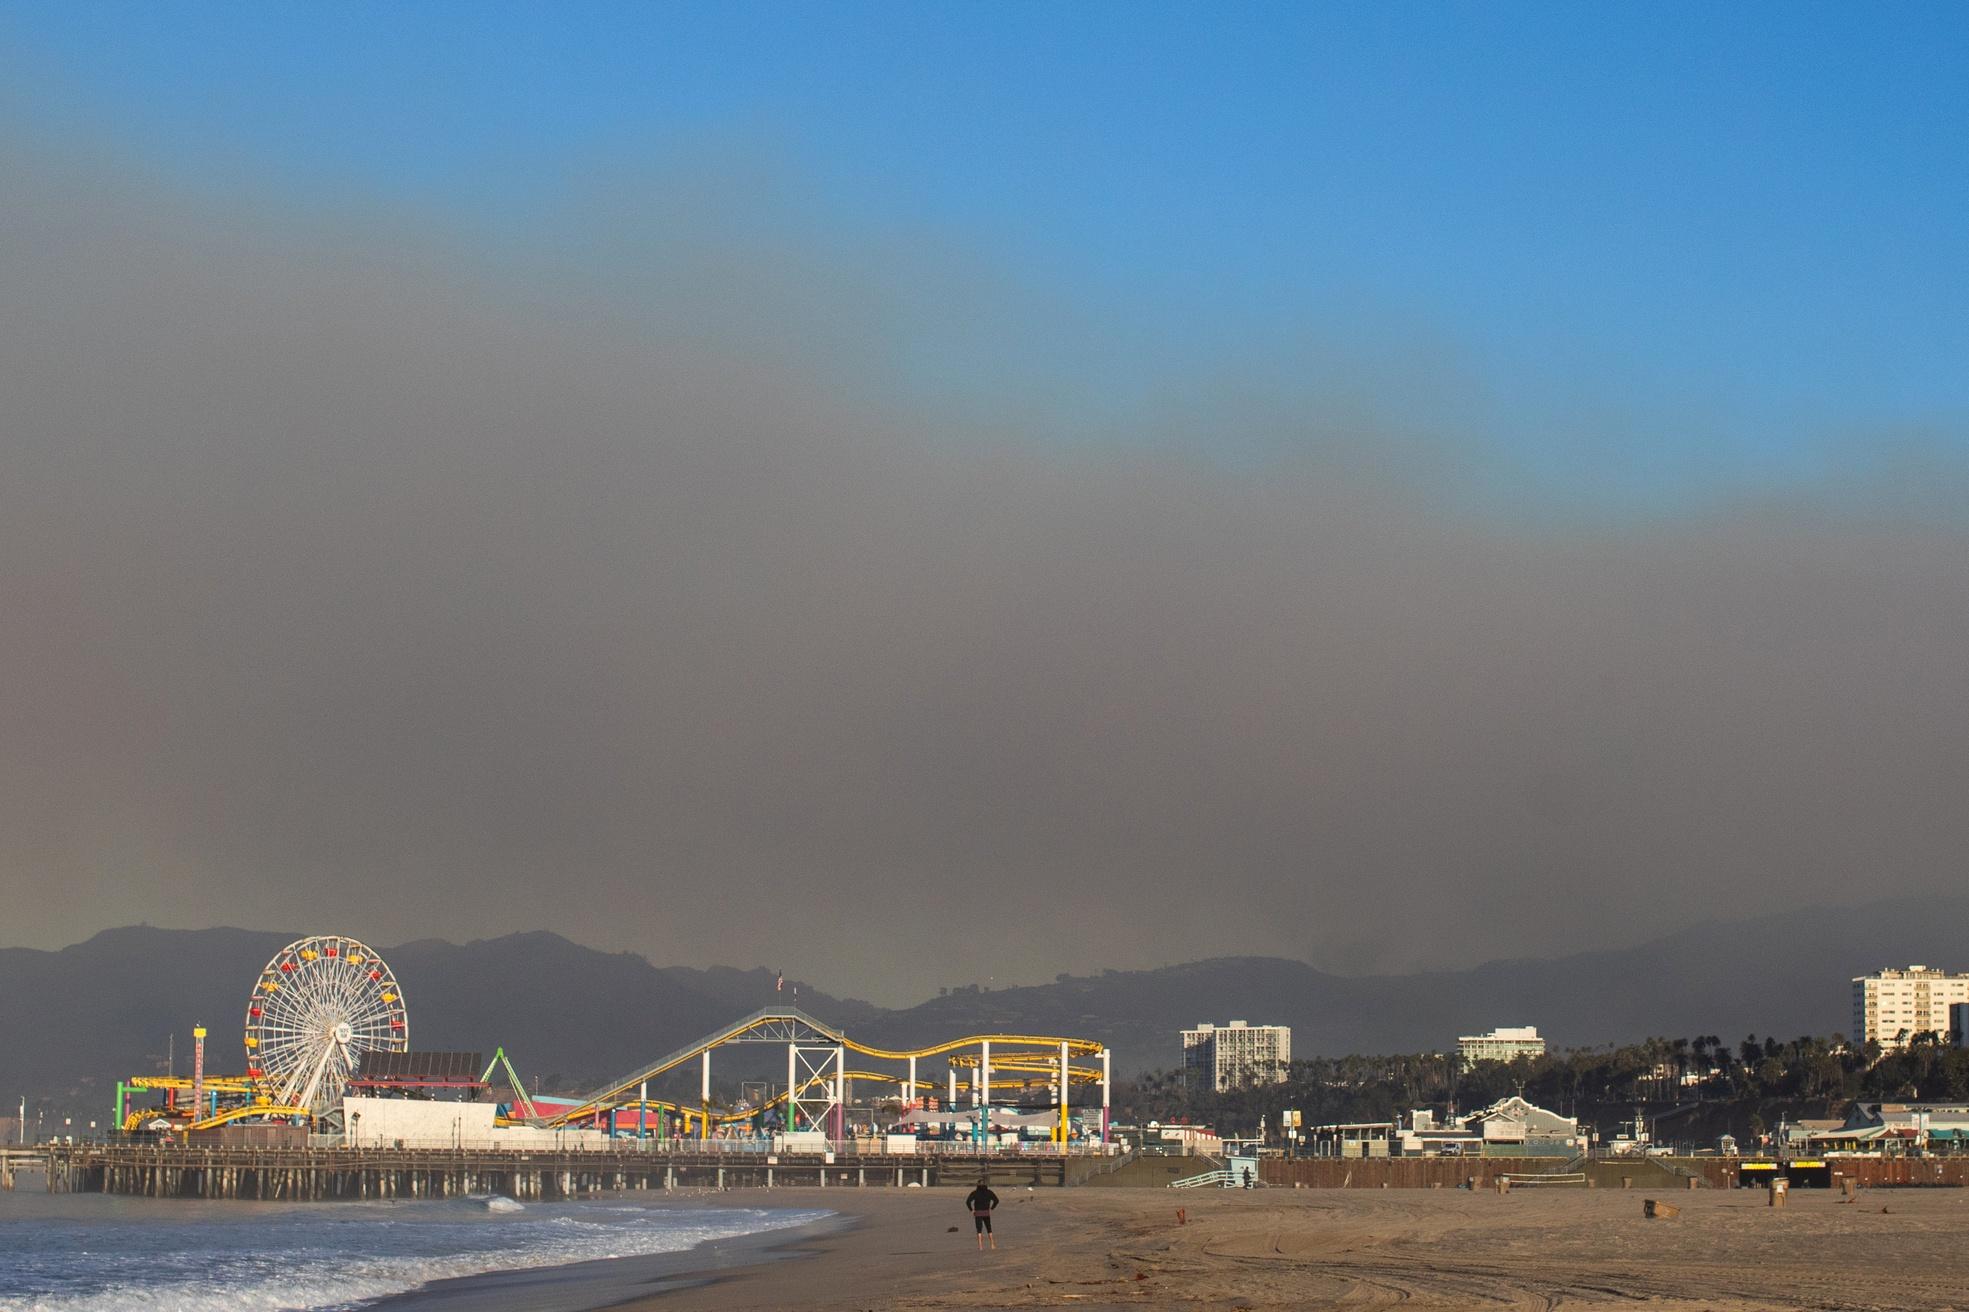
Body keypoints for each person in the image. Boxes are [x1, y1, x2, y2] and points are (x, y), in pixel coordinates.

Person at [964, 1176, 1000, 1250]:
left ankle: (980, 1246)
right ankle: (992, 1244)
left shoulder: (975, 1193)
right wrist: (991, 1208)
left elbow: (967, 1202)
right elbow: (996, 1200)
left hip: (978, 1213)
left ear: (978, 1185)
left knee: (979, 1229)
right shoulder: (989, 1192)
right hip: (986, 1212)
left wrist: (971, 1210)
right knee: (989, 1228)